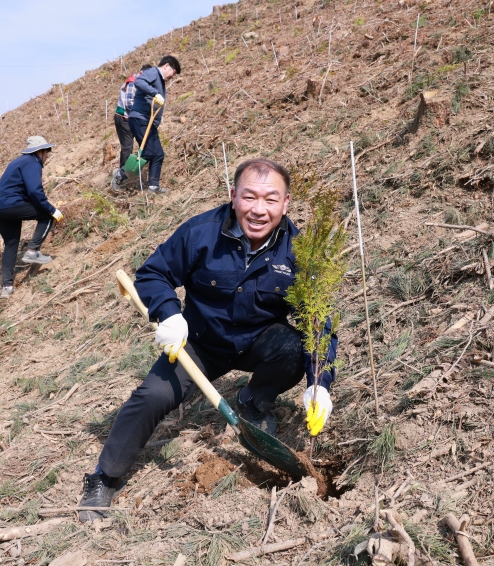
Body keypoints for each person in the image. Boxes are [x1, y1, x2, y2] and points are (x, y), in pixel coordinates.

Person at [77, 159, 338, 522]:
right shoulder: (201, 232)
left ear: (286, 203)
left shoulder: (298, 251)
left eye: (270, 199)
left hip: (259, 342)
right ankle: (104, 476)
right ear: (233, 197)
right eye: (249, 197)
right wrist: (169, 313)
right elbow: (153, 273)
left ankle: (253, 404)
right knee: (151, 396)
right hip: (198, 344)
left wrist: (319, 383)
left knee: (293, 349)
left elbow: (317, 321)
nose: (259, 210)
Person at [0, 136, 64, 298]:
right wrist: (52, 209)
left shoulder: (18, 162)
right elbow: (34, 192)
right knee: (47, 215)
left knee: (11, 243)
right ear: (40, 152)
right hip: (10, 205)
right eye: (47, 152)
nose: (48, 156)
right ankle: (32, 251)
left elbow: (24, 191)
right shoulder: (32, 162)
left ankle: (7, 287)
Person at [126, 55, 181, 195]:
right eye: (173, 72)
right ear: (167, 66)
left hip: (149, 122)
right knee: (150, 152)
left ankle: (153, 187)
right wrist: (155, 92)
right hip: (140, 119)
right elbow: (139, 82)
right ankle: (121, 174)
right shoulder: (153, 73)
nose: (172, 76)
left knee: (159, 154)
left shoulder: (160, 80)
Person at [110, 64, 152, 192]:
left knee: (144, 145)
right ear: (141, 73)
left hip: (133, 118)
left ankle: (133, 172)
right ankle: (120, 176)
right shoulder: (133, 82)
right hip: (124, 118)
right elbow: (130, 104)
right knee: (127, 146)